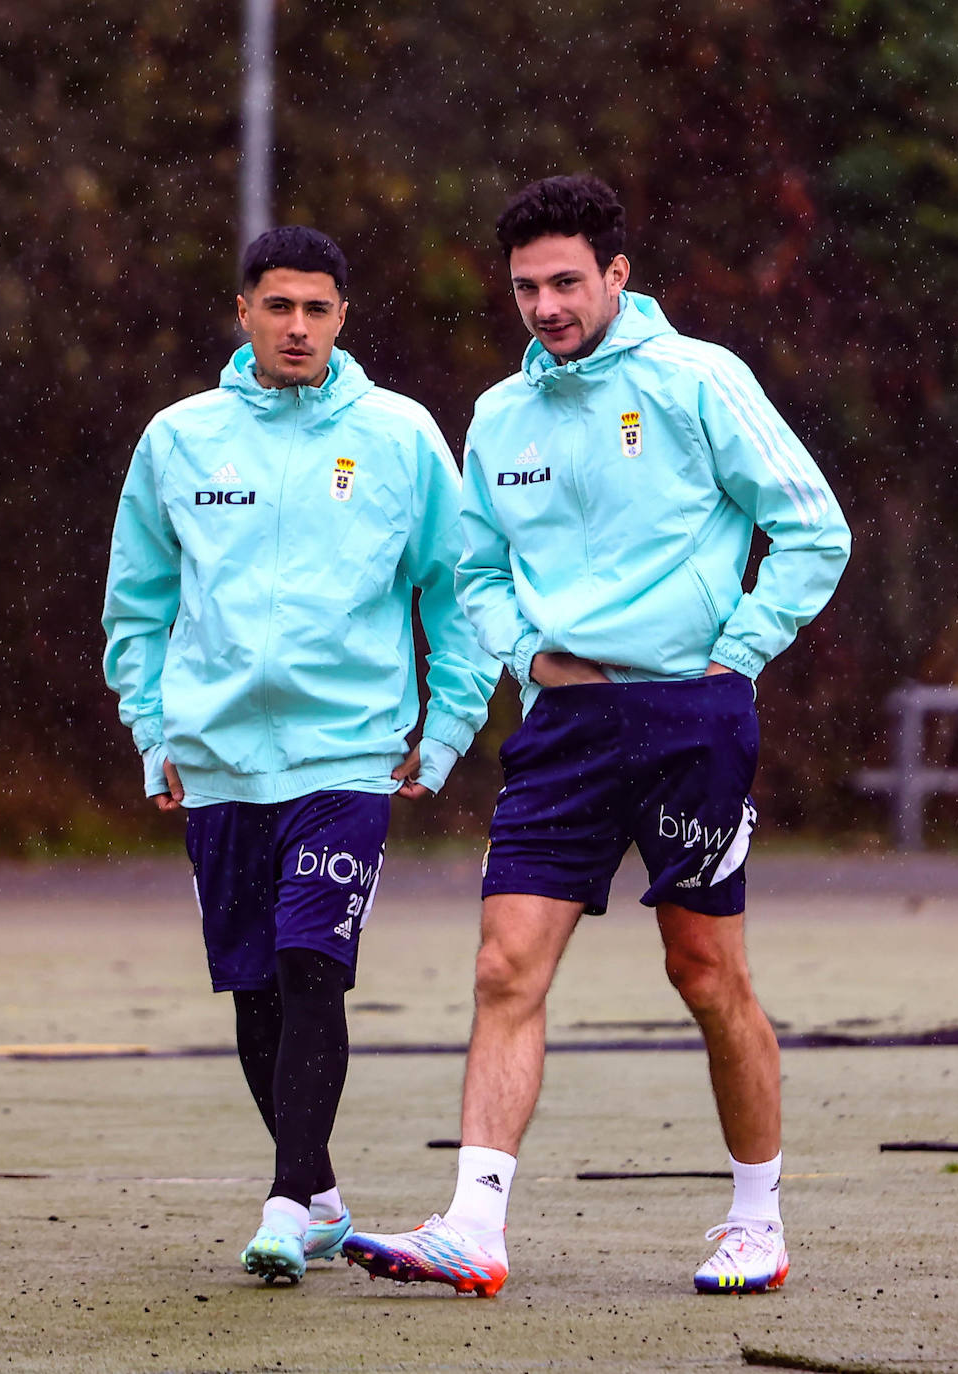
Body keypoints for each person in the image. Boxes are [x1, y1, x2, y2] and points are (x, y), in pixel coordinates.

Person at [343, 175, 851, 1297]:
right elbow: (475, 571)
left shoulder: (698, 380)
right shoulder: (498, 416)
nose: (546, 305)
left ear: (617, 276)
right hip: (563, 727)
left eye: (567, 281)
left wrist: (741, 649)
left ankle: (755, 1220)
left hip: (689, 720)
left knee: (704, 971)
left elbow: (813, 530)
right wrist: (526, 655)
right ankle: (473, 1226)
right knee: (501, 967)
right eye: (526, 286)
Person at [102, 226, 499, 1286]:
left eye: (317, 309)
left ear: (343, 317)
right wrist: (155, 734)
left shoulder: (400, 437)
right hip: (218, 760)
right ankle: (318, 1193)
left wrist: (447, 727)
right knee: (254, 991)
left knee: (312, 967)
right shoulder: (179, 440)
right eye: (278, 307)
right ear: (242, 312)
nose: (297, 327)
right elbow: (136, 607)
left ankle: (282, 1201)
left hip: (347, 754)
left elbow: (458, 594)